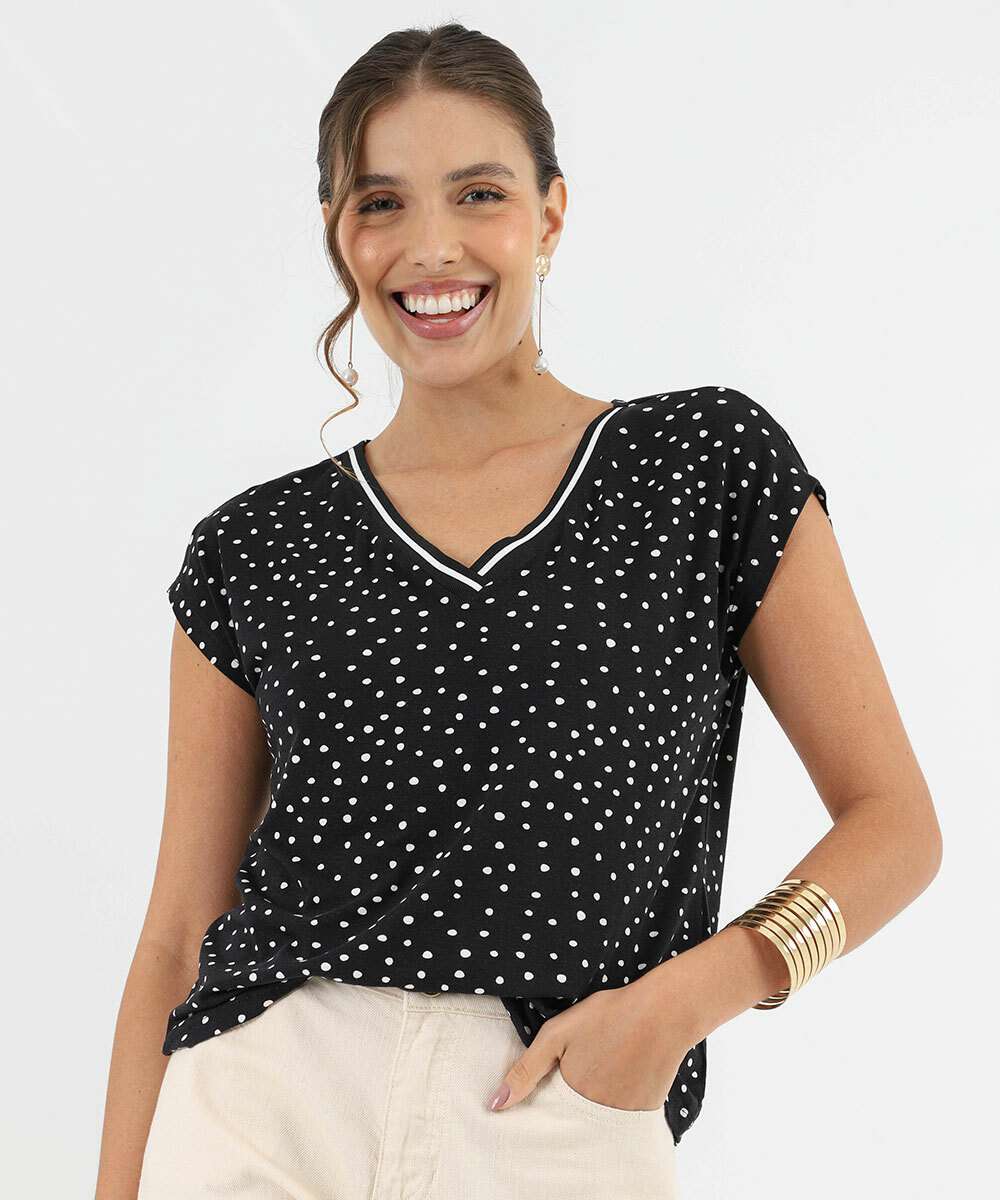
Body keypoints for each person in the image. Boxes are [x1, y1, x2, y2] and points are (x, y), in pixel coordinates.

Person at [95, 22, 943, 1200]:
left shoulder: (701, 467)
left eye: (478, 193)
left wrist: (680, 1004)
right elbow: (178, 934)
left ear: (550, 213)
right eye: (381, 203)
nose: (431, 246)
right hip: (262, 1101)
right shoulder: (255, 546)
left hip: (553, 1109)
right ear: (340, 235)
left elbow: (896, 825)